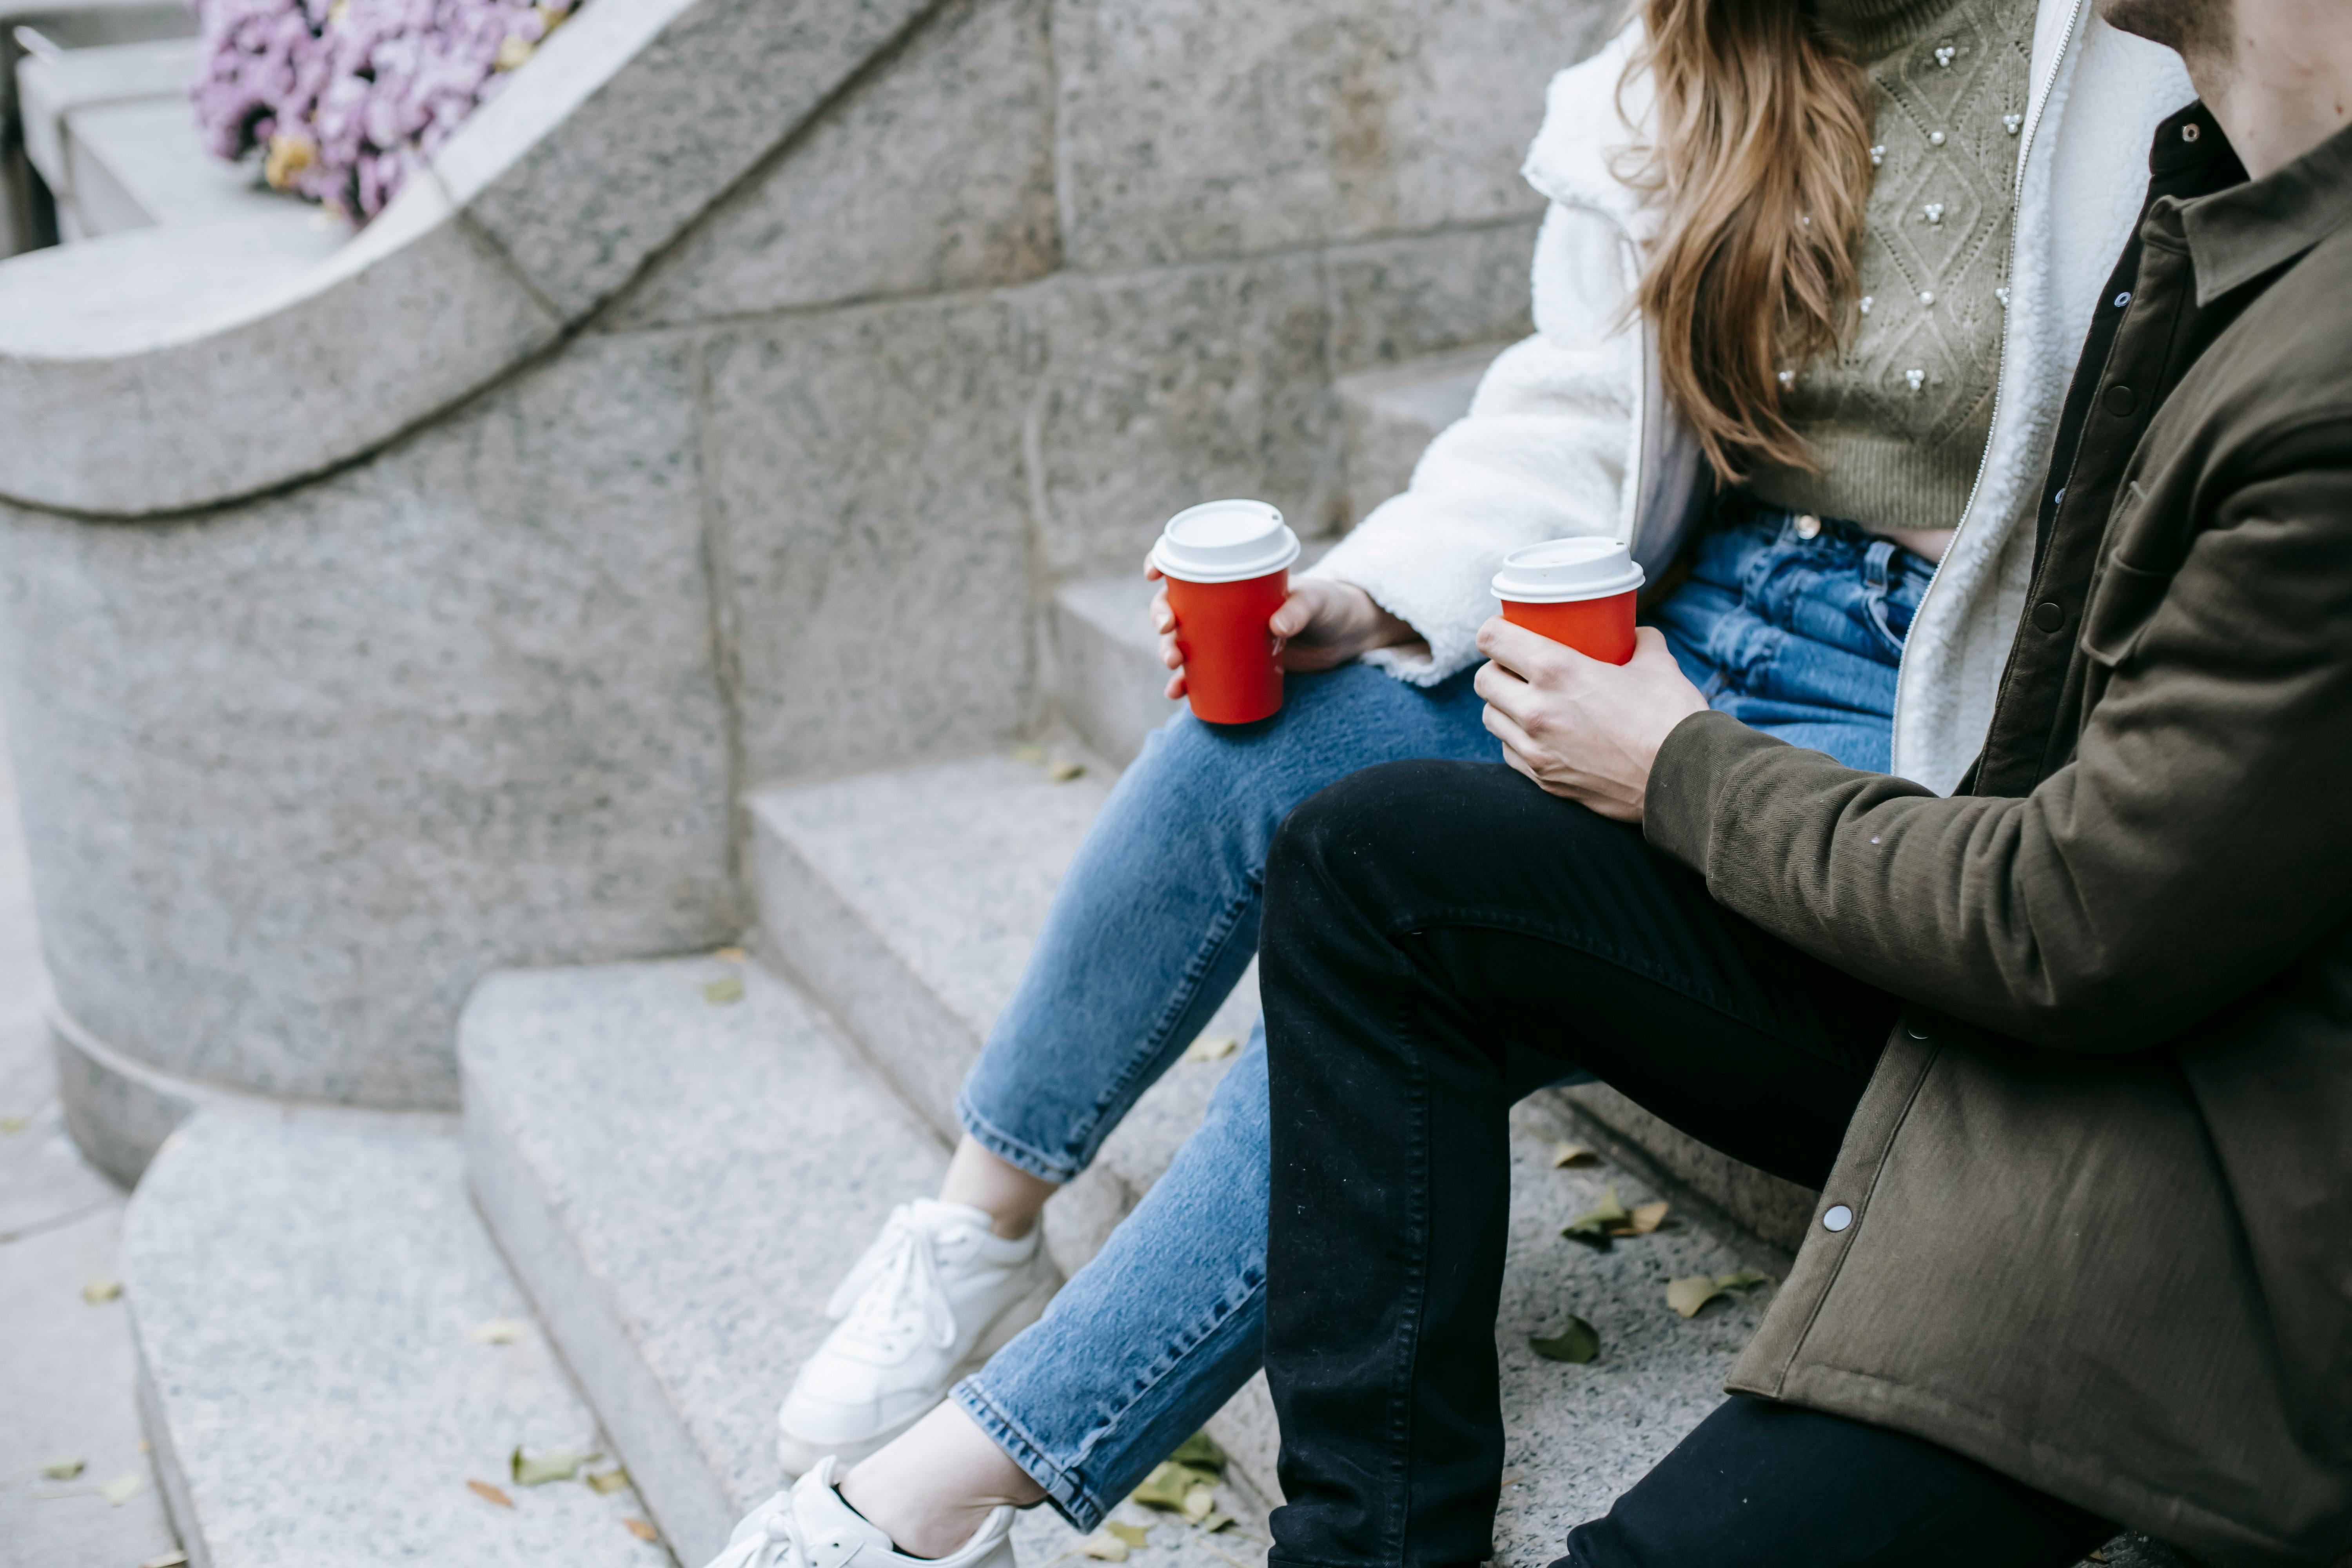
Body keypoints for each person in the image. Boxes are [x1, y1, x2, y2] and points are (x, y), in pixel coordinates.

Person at [700, 3, 2199, 1566]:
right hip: (1685, 615)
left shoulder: (2135, 45)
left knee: (1399, 918)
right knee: (1270, 730)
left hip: (1910, 707)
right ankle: (978, 1224)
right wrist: (1382, 596)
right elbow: (1576, 405)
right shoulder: (1695, 51)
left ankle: (947, 1495)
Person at [1252, 0, 2352, 1562]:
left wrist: (1679, 764)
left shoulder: (2325, 374)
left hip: (2189, 1169)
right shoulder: (2221, 182)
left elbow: (2064, 928)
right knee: (1369, 854)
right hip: (2054, 987)